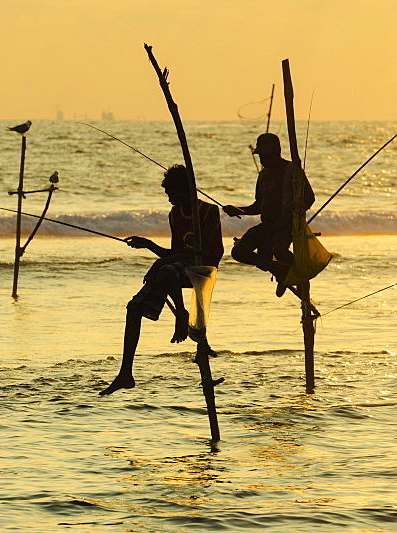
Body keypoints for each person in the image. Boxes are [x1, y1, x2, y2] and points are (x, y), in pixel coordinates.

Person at [100, 164, 224, 396]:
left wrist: (160, 264)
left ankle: (181, 315)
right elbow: (174, 253)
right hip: (175, 269)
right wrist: (149, 245)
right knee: (134, 308)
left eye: (172, 193)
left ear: (186, 190)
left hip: (203, 268)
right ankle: (125, 372)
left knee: (165, 271)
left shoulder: (209, 212)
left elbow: (199, 251)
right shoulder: (175, 215)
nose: (169, 199)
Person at [223, 132, 315, 296]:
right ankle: (280, 271)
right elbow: (258, 206)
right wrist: (238, 210)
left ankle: (298, 273)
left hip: (286, 226)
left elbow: (309, 197)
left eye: (266, 155)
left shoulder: (291, 170)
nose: (262, 159)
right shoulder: (263, 175)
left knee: (279, 251)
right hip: (267, 227)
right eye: (260, 155)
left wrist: (296, 214)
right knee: (238, 252)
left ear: (277, 151)